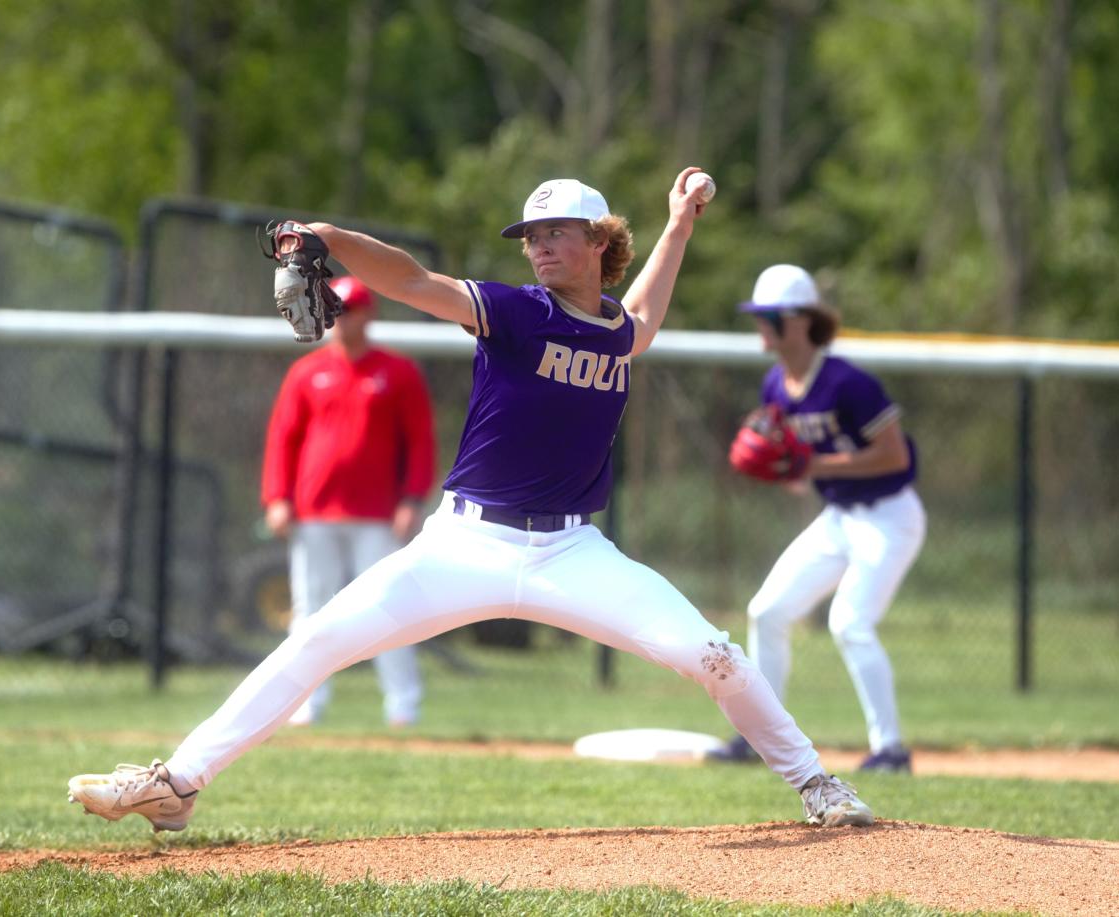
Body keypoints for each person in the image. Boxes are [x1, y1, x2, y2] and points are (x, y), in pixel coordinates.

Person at [67, 172, 875, 832]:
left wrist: (680, 223)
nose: (541, 245)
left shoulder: (616, 333)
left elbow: (648, 312)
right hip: (461, 545)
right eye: (531, 235)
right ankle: (177, 782)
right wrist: (329, 238)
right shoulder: (513, 312)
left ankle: (815, 782)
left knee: (712, 654)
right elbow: (414, 280)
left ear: (601, 243)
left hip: (571, 552)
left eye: (558, 231)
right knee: (316, 640)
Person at [706, 264, 926, 772]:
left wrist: (810, 464)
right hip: (840, 517)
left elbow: (895, 456)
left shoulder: (848, 382)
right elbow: (798, 470)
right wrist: (782, 469)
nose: (760, 326)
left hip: (890, 516)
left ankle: (891, 750)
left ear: (798, 321)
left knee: (850, 622)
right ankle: (759, 736)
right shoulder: (775, 386)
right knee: (768, 611)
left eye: (768, 317)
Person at [262, 275, 436, 727]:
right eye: (333, 310)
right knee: (310, 609)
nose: (341, 319)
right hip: (315, 511)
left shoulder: (398, 372)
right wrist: (277, 497)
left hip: (378, 515)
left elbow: (420, 442)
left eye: (349, 309)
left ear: (367, 314)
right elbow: (284, 437)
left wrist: (412, 499)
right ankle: (306, 704)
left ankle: (403, 706)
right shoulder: (306, 372)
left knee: (388, 607)